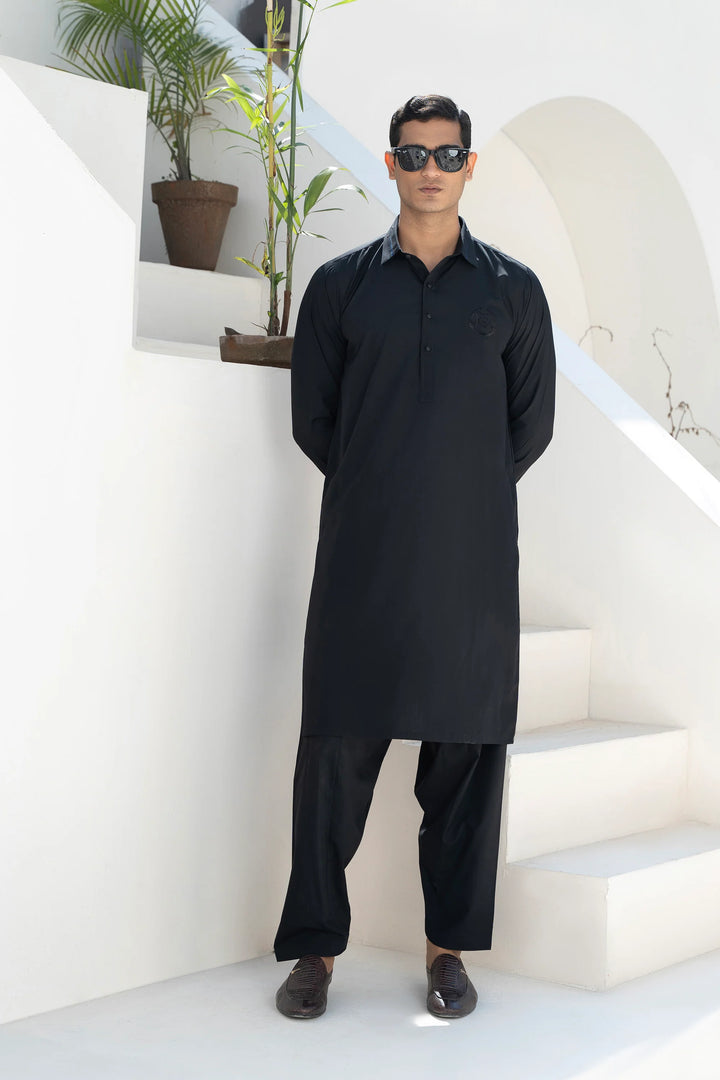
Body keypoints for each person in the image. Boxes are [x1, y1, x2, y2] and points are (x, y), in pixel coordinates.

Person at [273, 93, 556, 1020]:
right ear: (391, 163)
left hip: (473, 571)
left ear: (470, 165)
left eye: (447, 153)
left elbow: (529, 428)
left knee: (467, 765)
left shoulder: (513, 291)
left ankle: (448, 954)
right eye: (414, 153)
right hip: (363, 561)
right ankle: (314, 951)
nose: (431, 168)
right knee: (331, 763)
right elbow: (315, 421)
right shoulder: (340, 288)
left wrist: (455, 493)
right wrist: (385, 486)